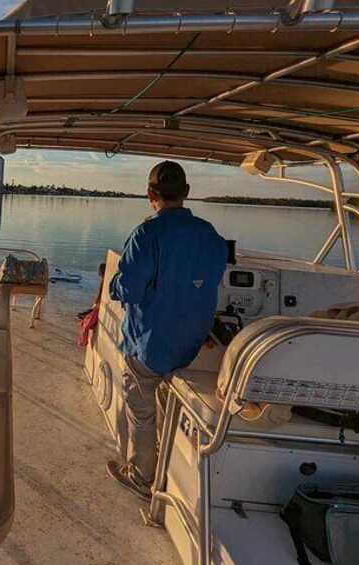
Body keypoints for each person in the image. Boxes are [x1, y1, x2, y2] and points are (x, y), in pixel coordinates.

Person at [106, 161, 227, 500]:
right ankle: (168, 466)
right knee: (164, 399)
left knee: (141, 410)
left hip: (149, 344)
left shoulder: (147, 234)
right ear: (187, 193)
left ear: (150, 194)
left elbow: (128, 289)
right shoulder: (210, 235)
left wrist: (113, 280)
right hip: (191, 344)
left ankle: (143, 477)